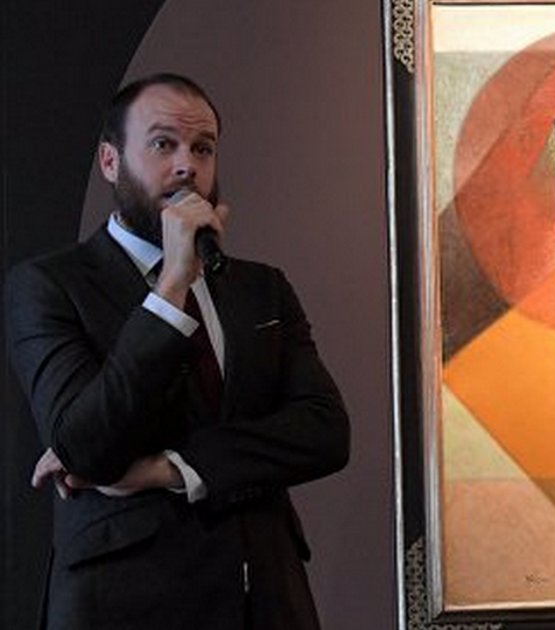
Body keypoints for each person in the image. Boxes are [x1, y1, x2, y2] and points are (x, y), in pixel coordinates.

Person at [4, 73, 350, 630]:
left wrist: (171, 469)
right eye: (163, 144)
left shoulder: (262, 287)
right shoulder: (48, 286)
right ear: (111, 162)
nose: (187, 165)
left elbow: (325, 431)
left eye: (203, 148)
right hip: (125, 605)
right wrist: (170, 288)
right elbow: (85, 448)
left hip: (265, 600)